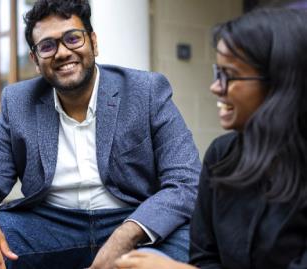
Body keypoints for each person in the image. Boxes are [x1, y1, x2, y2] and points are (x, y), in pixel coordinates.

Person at [0, 0, 201, 268]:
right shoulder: (18, 103)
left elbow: (185, 181)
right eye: (47, 46)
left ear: (94, 43)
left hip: (131, 218)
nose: (62, 52)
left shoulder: (145, 91)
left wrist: (123, 236)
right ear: (35, 59)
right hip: (51, 227)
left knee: (193, 243)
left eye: (73, 38)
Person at [115, 8, 307, 269]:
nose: (215, 87)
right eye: (218, 73)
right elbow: (205, 257)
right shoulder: (221, 156)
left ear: (280, 83)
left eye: (229, 75)